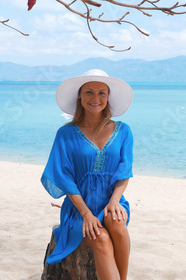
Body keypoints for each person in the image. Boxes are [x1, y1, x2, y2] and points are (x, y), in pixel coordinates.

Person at [41, 69, 134, 280]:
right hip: (78, 208)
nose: (96, 98)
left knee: (117, 224)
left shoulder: (123, 130)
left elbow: (124, 171)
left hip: (112, 200)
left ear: (108, 97)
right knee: (100, 239)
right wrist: (86, 214)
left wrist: (114, 201)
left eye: (102, 93)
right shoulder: (65, 134)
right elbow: (63, 177)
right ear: (79, 96)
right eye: (89, 92)